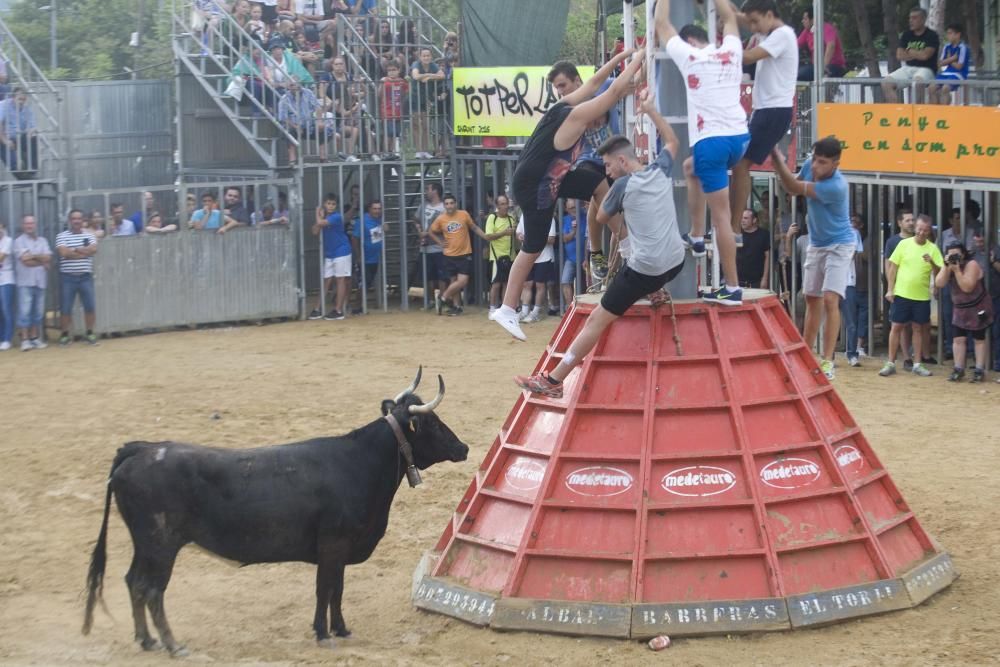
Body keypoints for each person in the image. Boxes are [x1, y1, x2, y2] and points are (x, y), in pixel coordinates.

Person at [514, 89, 684, 398]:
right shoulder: (660, 168)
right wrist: (651, 111)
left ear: (621, 160)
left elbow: (602, 217)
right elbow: (672, 142)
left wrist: (596, 191)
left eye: (607, 165)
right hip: (675, 262)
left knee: (597, 320)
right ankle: (656, 291)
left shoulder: (620, 185)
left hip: (646, 270)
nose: (606, 171)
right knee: (652, 257)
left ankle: (554, 379)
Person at [491, 48, 644, 341]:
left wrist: (624, 55)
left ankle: (626, 245)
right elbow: (610, 95)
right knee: (532, 248)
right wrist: (639, 56)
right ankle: (507, 308)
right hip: (536, 184)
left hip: (552, 178)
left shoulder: (564, 104)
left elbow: (595, 82)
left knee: (597, 184)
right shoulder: (573, 117)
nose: (598, 123)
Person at [658, 0, 747, 306]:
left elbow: (661, 23)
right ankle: (696, 236)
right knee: (689, 167)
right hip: (739, 137)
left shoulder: (690, 55)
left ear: (690, 41)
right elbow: (729, 17)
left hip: (712, 141)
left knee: (721, 218)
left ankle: (732, 287)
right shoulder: (732, 50)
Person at [770, 136, 854, 380]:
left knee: (830, 299)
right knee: (811, 298)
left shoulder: (837, 186)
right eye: (815, 159)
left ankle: (827, 360)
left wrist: (776, 159)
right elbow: (792, 184)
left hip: (839, 245)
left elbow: (795, 188)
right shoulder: (809, 165)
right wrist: (782, 168)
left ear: (835, 164)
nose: (816, 166)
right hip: (817, 242)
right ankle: (805, 355)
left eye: (823, 162)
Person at [729, 0, 797, 248]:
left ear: (770, 14)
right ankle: (733, 224)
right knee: (737, 163)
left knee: (740, 163)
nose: (754, 28)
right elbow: (740, 18)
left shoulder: (782, 35)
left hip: (773, 111)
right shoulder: (771, 32)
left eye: (757, 21)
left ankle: (734, 226)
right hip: (765, 111)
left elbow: (747, 56)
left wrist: (723, 48)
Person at [545, 61, 619, 284]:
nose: (561, 91)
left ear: (577, 80)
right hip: (589, 160)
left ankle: (613, 264)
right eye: (557, 88)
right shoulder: (565, 107)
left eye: (563, 85)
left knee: (616, 212)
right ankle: (596, 252)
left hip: (615, 159)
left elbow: (630, 80)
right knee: (595, 189)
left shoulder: (604, 86)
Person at [881, 216, 943, 378]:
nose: (922, 232)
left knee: (918, 328)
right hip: (901, 293)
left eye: (925, 230)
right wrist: (890, 289)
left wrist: (933, 263)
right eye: (920, 229)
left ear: (930, 231)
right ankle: (890, 362)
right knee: (896, 327)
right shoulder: (903, 244)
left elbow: (940, 273)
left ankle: (917, 363)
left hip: (922, 296)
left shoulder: (933, 248)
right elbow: (892, 267)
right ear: (916, 228)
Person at [428, 195, 507, 316]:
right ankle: (457, 307)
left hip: (464, 253)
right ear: (444, 205)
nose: (449, 206)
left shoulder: (463, 214)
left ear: (456, 204)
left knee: (463, 281)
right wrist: (440, 242)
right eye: (447, 203)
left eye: (451, 203)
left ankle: (443, 297)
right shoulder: (440, 218)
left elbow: (474, 227)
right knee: (454, 281)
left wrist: (485, 236)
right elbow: (431, 231)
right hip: (449, 254)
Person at [936, 242, 993, 382]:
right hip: (960, 308)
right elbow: (939, 283)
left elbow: (967, 287)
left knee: (979, 339)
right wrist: (946, 266)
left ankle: (979, 370)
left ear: (963, 253)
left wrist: (956, 271)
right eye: (951, 254)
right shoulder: (949, 266)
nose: (955, 257)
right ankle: (958, 368)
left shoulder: (971, 264)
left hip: (977, 307)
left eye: (957, 254)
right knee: (958, 339)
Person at [55, 210, 99, 346]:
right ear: (69, 220)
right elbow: (63, 253)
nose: (77, 221)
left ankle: (90, 332)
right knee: (66, 308)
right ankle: (64, 334)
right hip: (68, 277)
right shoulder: (61, 236)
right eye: (74, 219)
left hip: (85, 277)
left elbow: (93, 250)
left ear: (83, 220)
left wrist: (72, 251)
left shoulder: (90, 235)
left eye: (79, 218)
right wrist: (81, 252)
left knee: (90, 306)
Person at [881, 7, 940, 104]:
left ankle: (918, 111)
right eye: (910, 18)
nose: (911, 21)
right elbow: (899, 55)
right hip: (908, 68)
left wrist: (909, 51)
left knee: (917, 82)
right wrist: (917, 53)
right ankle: (897, 111)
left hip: (926, 69)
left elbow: (925, 56)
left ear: (923, 19)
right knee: (886, 83)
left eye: (915, 18)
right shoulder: (906, 35)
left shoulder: (932, 35)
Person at [309, 193, 351, 320]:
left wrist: (317, 213)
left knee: (340, 279)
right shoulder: (325, 217)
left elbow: (320, 223)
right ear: (324, 204)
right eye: (328, 203)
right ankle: (317, 309)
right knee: (327, 280)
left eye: (333, 204)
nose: (331, 206)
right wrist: (320, 217)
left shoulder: (337, 216)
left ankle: (338, 310)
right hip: (330, 253)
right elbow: (315, 231)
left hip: (341, 251)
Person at [13, 215, 51, 351]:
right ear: (23, 225)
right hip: (25, 281)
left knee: (38, 312)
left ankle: (34, 338)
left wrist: (33, 255)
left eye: (32, 223)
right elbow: (25, 261)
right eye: (27, 223)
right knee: (24, 312)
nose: (30, 226)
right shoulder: (18, 241)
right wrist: (41, 260)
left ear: (36, 225)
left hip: (40, 281)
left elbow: (48, 257)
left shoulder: (43, 240)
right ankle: (25, 339)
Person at [515, 214, 558, 323]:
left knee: (540, 284)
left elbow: (552, 239)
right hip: (528, 256)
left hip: (544, 257)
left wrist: (534, 238)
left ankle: (535, 312)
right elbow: (518, 232)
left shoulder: (549, 217)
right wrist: (520, 236)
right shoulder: (524, 215)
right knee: (527, 284)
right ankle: (524, 311)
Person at [413, 183, 447, 306]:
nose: (426, 191)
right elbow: (416, 219)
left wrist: (427, 234)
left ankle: (442, 300)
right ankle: (430, 301)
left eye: (428, 189)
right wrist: (419, 231)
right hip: (425, 248)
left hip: (439, 247)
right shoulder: (423, 206)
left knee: (442, 276)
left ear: (435, 191)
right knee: (428, 276)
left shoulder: (444, 208)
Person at [842, 213, 869, 366]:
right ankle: (829, 356)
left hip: (848, 281)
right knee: (830, 320)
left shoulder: (854, 233)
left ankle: (852, 354)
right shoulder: (830, 230)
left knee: (851, 321)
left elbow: (853, 254)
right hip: (831, 281)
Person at [485, 195, 517, 315]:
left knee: (506, 284)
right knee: (496, 283)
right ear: (497, 206)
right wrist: (504, 233)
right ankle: (492, 308)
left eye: (506, 203)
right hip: (496, 256)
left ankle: (504, 309)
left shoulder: (511, 218)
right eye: (502, 204)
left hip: (510, 256)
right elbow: (488, 236)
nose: (505, 206)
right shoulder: (492, 218)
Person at [410, 48, 445, 159]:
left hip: (426, 98)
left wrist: (429, 76)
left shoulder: (433, 65)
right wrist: (429, 75)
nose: (426, 58)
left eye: (428, 55)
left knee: (425, 125)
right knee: (416, 125)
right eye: (424, 56)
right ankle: (418, 151)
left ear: (431, 56)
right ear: (420, 57)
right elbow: (415, 76)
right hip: (415, 97)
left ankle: (425, 151)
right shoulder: (416, 64)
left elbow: (442, 75)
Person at [796, 8, 847, 80]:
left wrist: (823, 66)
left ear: (813, 19)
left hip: (834, 66)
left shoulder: (826, 28)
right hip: (817, 67)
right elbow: (795, 45)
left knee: (804, 73)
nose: (802, 21)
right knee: (796, 75)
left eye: (805, 19)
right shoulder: (807, 31)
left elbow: (831, 45)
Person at [928, 24, 971, 105]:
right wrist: (952, 58)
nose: (948, 36)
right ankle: (935, 111)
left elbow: (959, 66)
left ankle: (945, 112)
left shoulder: (963, 48)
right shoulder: (947, 46)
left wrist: (948, 60)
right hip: (945, 73)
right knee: (931, 88)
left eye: (950, 33)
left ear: (958, 35)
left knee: (945, 88)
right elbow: (940, 63)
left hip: (959, 74)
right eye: (947, 33)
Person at [0, 88, 38, 177]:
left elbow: (33, 126)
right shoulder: (3, 105)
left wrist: (30, 132)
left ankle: (32, 170)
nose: (21, 102)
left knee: (33, 139)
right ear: (13, 98)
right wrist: (6, 141)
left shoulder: (27, 109)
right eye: (19, 99)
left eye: (24, 99)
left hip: (18, 137)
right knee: (14, 164)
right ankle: (22, 176)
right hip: (4, 137)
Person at [351, 199, 384, 297]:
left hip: (375, 258)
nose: (377, 211)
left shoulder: (379, 219)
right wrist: (359, 256)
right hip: (364, 259)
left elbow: (376, 237)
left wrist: (384, 229)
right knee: (363, 284)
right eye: (375, 209)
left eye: (379, 208)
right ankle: (357, 307)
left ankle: (358, 306)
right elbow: (354, 238)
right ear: (369, 209)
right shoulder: (362, 221)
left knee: (367, 284)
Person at [560, 199, 588, 308]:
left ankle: (584, 306)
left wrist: (586, 257)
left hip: (585, 258)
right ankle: (569, 307)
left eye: (576, 207)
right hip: (570, 258)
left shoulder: (585, 216)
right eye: (571, 208)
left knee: (586, 284)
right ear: (566, 209)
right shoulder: (565, 220)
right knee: (565, 281)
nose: (574, 210)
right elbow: (564, 239)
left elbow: (588, 238)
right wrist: (573, 231)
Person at [378, 61, 408, 158]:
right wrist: (381, 84)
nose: (391, 72)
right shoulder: (385, 81)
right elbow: (378, 95)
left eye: (394, 70)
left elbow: (406, 93)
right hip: (387, 111)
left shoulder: (402, 81)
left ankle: (391, 152)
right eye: (389, 70)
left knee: (395, 133)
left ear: (398, 70)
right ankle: (385, 152)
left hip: (398, 111)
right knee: (389, 132)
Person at [735, 208, 770, 289]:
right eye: (741, 218)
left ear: (754, 220)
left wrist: (765, 279)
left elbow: (767, 257)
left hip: (756, 282)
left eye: (746, 218)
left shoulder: (764, 235)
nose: (742, 220)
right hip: (737, 282)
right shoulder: (737, 234)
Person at [0, 220, 14, 350]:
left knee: (6, 309)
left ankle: (7, 338)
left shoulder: (8, 241)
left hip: (6, 279)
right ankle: (1, 338)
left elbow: (1, 258)